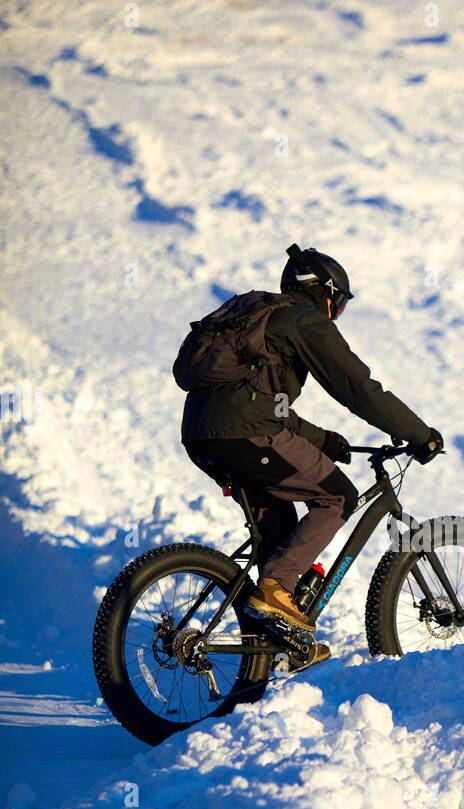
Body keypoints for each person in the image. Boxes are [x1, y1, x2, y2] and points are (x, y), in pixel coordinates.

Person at [180, 245, 443, 663]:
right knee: (337, 496)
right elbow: (357, 388)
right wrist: (418, 434)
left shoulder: (263, 322)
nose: (335, 315)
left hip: (202, 436)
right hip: (246, 434)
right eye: (337, 306)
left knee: (280, 531)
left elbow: (266, 404)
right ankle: (275, 590)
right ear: (327, 293)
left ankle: (278, 644)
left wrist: (323, 440)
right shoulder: (303, 319)